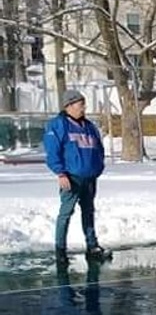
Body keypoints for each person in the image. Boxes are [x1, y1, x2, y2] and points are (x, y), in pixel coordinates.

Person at [43, 89, 110, 264]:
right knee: (66, 213)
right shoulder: (58, 125)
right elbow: (52, 152)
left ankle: (92, 246)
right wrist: (60, 172)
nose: (83, 108)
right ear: (69, 106)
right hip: (71, 177)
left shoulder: (89, 127)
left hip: (90, 178)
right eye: (81, 105)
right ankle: (60, 250)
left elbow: (99, 149)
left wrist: (98, 167)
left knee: (88, 212)